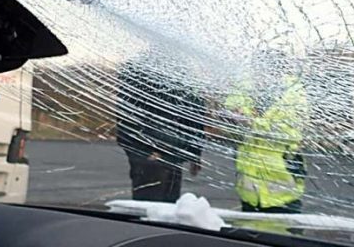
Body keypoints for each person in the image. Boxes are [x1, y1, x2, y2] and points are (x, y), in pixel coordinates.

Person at [116, 60, 206, 202]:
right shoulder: (141, 69)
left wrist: (195, 152)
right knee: (149, 208)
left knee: (168, 208)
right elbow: (127, 119)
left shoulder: (183, 71)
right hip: (150, 157)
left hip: (173, 155)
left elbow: (195, 113)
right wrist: (144, 153)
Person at [224, 68, 309, 213]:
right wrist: (232, 120)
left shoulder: (294, 95)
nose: (262, 77)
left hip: (283, 194)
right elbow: (229, 127)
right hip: (249, 193)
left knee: (283, 233)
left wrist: (251, 122)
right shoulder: (243, 89)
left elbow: (288, 132)